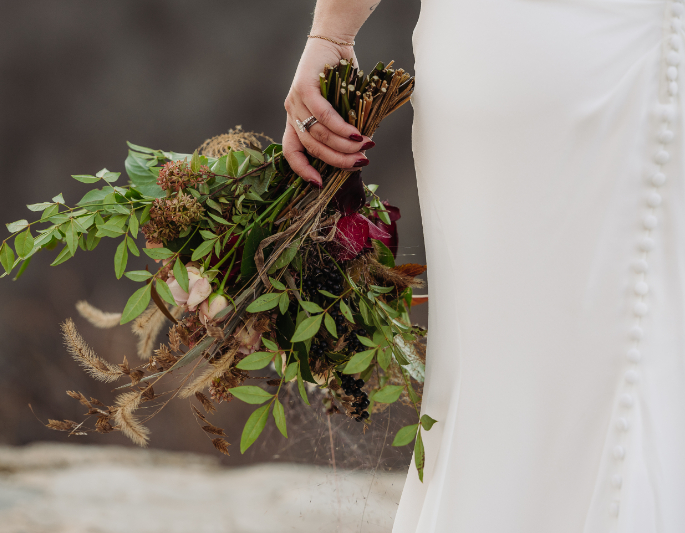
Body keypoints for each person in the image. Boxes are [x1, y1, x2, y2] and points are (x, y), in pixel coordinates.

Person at [283, 1, 685, 532]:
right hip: (613, 49)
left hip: (493, 48)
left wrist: (332, 35)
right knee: (634, 362)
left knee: (499, 378)